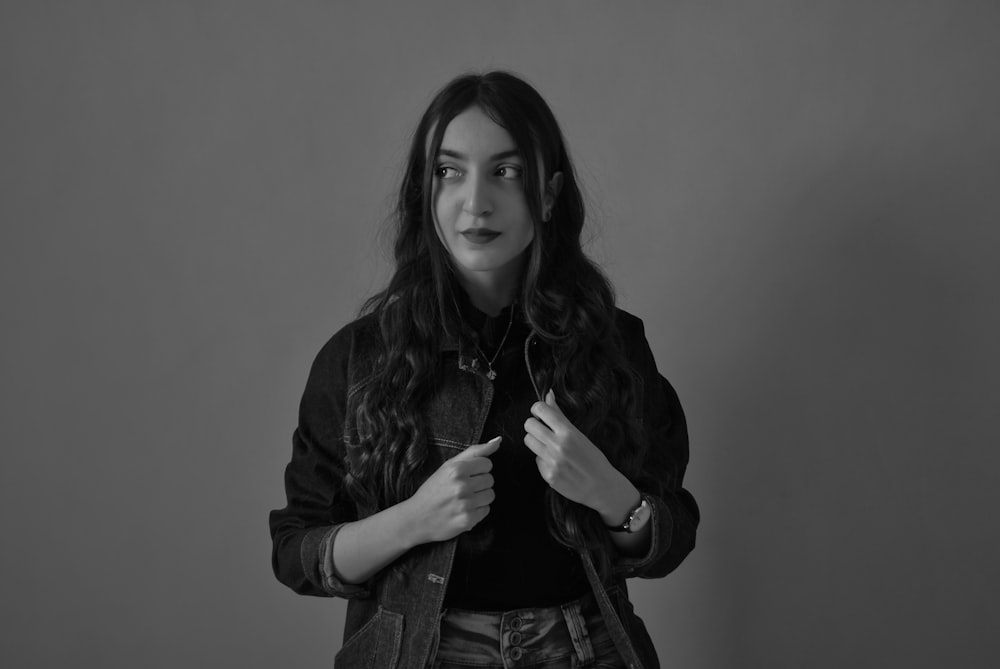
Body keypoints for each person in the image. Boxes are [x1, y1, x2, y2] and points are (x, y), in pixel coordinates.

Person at [269, 71, 699, 669]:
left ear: (547, 194)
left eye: (506, 171)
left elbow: (671, 537)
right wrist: (412, 521)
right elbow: (297, 551)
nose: (476, 202)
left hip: (584, 648)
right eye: (449, 171)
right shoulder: (359, 359)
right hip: (420, 654)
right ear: (425, 193)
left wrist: (613, 496)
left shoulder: (613, 345)